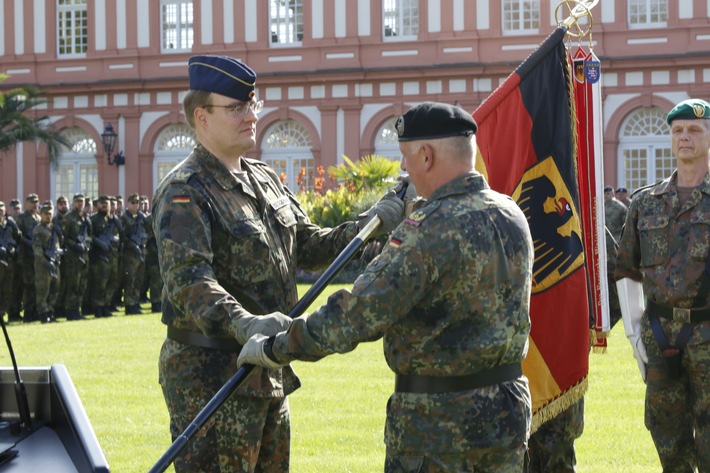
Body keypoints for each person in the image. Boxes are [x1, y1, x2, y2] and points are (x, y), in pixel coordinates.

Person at [238, 101, 534, 472]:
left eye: (406, 158)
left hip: (438, 429)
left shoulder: (428, 228)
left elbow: (357, 314)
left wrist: (276, 346)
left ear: (426, 156)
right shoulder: (511, 214)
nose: (404, 170)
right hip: (506, 417)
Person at [151, 54, 405, 472]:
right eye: (236, 108)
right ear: (202, 117)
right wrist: (245, 323)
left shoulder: (263, 178)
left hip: (266, 370)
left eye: (253, 104)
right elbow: (190, 282)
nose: (250, 115)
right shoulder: (185, 191)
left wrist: (369, 226)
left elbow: (307, 244)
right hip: (213, 376)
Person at [615, 98, 710, 472]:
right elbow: (626, 270)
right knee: (666, 434)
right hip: (660, 336)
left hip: (708, 333)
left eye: (694, 130)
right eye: (677, 131)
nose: (684, 137)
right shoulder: (644, 203)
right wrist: (635, 333)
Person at [61, 194, 91, 321]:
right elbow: (64, 237)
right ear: (73, 203)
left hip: (84, 255)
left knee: (82, 285)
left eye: (82, 202)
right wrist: (75, 245)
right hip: (72, 257)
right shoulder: (68, 218)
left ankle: (77, 309)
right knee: (73, 284)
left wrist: (86, 244)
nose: (80, 204)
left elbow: (90, 235)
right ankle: (70, 311)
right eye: (78, 202)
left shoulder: (85, 218)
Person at [33, 201, 61, 323]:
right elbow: (37, 249)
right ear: (41, 214)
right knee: (43, 292)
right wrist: (45, 261)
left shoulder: (54, 228)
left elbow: (58, 245)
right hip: (43, 265)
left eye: (50, 213)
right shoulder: (38, 230)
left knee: (55, 289)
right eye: (45, 214)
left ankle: (50, 311)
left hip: (55, 263)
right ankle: (44, 315)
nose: (48, 216)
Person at [121, 193, 148, 315]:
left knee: (139, 279)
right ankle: (129, 304)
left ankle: (136, 303)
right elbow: (123, 237)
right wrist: (132, 245)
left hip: (141, 251)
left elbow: (147, 229)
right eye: (133, 203)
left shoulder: (140, 218)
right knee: (130, 279)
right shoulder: (124, 218)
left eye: (138, 203)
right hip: (130, 253)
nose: (136, 205)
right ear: (128, 204)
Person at [16, 193, 41, 322]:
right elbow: (18, 236)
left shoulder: (38, 218)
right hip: (26, 256)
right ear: (27, 203)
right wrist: (28, 243)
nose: (35, 204)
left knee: (36, 285)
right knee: (28, 285)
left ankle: (36, 310)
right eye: (32, 202)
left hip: (37, 257)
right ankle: (28, 311)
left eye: (36, 202)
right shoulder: (21, 218)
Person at [0, 201, 21, 323]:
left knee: (7, 290)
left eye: (1, 210)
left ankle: (2, 315)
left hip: (9, 262)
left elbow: (19, 238)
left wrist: (14, 249)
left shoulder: (9, 224)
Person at [7, 199, 23, 322]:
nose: (17, 211)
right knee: (10, 287)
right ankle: (12, 312)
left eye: (18, 209)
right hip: (9, 260)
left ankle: (17, 311)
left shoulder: (16, 223)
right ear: (10, 210)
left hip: (20, 259)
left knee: (19, 286)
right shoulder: (7, 222)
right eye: (15, 209)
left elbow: (20, 237)